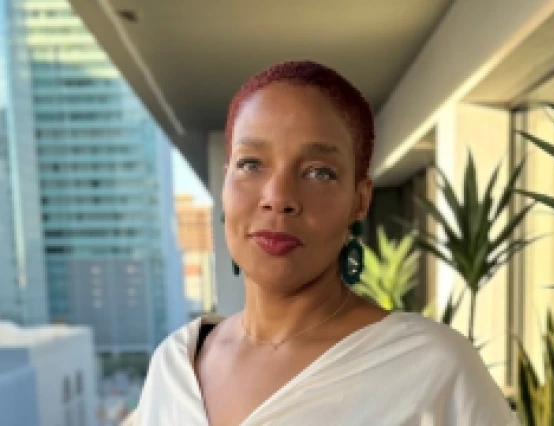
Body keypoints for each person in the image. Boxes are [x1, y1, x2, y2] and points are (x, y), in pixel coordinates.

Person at [132, 61, 519, 425]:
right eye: (251, 163)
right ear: (226, 181)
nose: (278, 196)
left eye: (319, 172)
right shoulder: (175, 364)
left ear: (360, 200)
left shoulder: (433, 368)